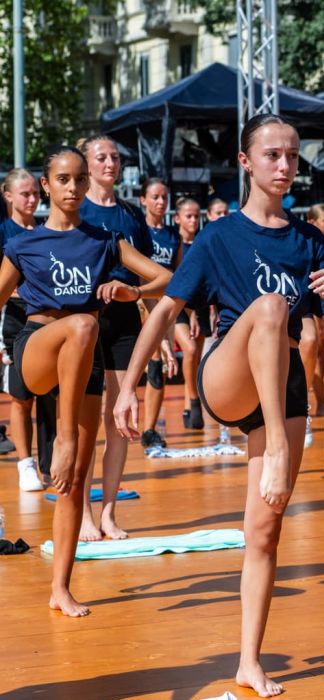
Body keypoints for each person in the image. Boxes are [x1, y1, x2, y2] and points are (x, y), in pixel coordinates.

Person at [113, 113, 324, 696]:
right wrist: (127, 386)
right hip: (229, 376)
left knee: (264, 534)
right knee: (270, 308)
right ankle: (276, 450)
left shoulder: (309, 239)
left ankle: (248, 660)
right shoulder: (218, 237)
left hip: (283, 385)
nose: (284, 165)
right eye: (272, 154)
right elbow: (166, 311)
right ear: (245, 162)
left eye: (292, 155)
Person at [0, 145, 169, 616]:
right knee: (82, 324)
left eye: (79, 178)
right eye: (63, 179)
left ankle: (60, 588)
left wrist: (133, 290)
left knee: (74, 483)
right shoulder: (25, 243)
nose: (73, 187)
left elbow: (166, 277)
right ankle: (65, 438)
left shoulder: (104, 239)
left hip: (84, 364)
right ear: (46, 185)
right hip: (38, 350)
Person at [77, 134, 156, 541]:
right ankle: (84, 514)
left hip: (125, 317)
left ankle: (109, 511)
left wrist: (154, 323)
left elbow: (152, 276)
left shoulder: (130, 214)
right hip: (86, 318)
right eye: (101, 157)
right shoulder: (77, 210)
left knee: (120, 418)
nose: (110, 163)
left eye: (115, 157)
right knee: (86, 420)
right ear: (87, 164)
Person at [0, 169, 40, 477]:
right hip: (13, 317)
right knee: (21, 396)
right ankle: (26, 464)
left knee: (52, 397)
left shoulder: (46, 229)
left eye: (36, 193)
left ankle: (51, 464)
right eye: (25, 194)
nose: (32, 199)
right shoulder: (4, 232)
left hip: (45, 317)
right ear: (8, 196)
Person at [139, 178, 181, 448]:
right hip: (141, 301)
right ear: (143, 200)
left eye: (164, 197)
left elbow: (178, 275)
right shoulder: (139, 231)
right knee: (152, 357)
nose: (161, 202)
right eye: (155, 197)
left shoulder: (172, 235)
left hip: (165, 304)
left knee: (160, 367)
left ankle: (149, 429)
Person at [173, 197, 209, 429]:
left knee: (195, 359)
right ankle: (195, 403)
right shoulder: (174, 244)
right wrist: (190, 312)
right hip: (179, 306)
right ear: (177, 218)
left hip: (201, 305)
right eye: (189, 216)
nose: (193, 220)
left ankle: (188, 406)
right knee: (190, 348)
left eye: (197, 216)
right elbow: (178, 280)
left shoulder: (202, 243)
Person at [301, 203, 324, 419]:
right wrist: (317, 317)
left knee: (320, 356)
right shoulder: (306, 244)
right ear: (312, 222)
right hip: (308, 308)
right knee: (312, 352)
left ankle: (322, 403)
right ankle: (309, 402)